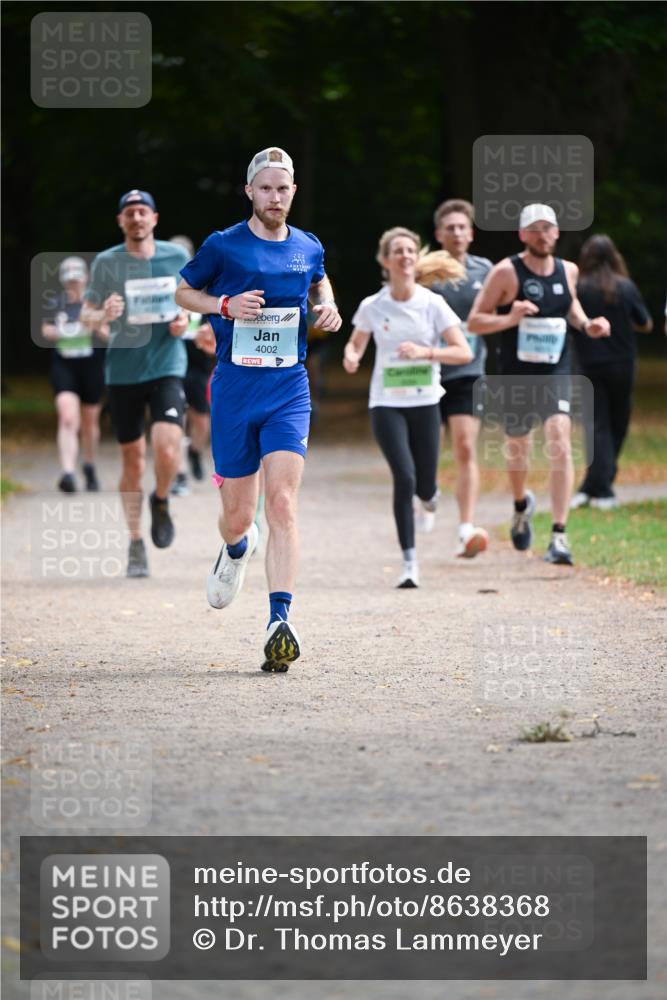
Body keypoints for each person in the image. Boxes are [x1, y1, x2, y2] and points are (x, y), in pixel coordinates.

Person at [175, 147, 341, 672]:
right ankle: (235, 549)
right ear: (250, 191)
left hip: (289, 388)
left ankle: (279, 620)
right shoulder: (223, 246)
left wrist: (328, 304)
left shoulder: (308, 246)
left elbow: (318, 279)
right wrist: (222, 305)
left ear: (294, 192)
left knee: (284, 504)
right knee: (239, 516)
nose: (275, 196)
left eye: (283, 188)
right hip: (233, 389)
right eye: (266, 188)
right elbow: (183, 291)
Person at [467, 203, 610, 565]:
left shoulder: (569, 270)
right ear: (523, 235)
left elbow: (570, 306)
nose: (543, 235)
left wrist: (587, 324)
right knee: (519, 451)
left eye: (549, 228)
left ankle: (559, 536)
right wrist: (511, 316)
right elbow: (475, 322)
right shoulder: (506, 273)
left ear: (557, 233)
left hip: (556, 373)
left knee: (561, 442)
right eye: (536, 229)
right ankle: (520, 506)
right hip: (515, 375)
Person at [343, 227, 471, 588]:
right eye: (397, 251)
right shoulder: (373, 305)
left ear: (416, 258)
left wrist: (426, 352)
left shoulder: (432, 304)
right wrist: (352, 357)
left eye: (410, 250)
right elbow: (355, 344)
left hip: (426, 401)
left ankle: (429, 499)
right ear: (385, 260)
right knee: (405, 477)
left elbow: (464, 351)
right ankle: (409, 562)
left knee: (426, 486)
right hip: (386, 402)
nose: (405, 256)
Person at [81, 190, 189, 578]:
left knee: (167, 446)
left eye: (143, 212)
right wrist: (101, 313)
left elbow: (195, 304)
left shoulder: (176, 257)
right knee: (132, 460)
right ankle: (135, 541)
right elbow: (86, 317)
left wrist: (185, 322)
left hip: (166, 364)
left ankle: (160, 500)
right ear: (121, 222)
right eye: (130, 213)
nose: (137, 218)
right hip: (123, 372)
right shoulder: (109, 262)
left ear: (155, 219)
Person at [570, 234, 653, 510]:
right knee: (617, 424)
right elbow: (645, 323)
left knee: (597, 425)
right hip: (623, 364)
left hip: (589, 364)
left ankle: (590, 487)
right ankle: (603, 490)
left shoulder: (579, 288)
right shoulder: (625, 287)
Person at [432, 199, 492, 557]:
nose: (456, 232)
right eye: (450, 227)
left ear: (471, 232)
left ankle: (465, 527)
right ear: (439, 233)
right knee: (424, 452)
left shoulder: (487, 270)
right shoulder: (425, 269)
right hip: (428, 371)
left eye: (462, 227)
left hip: (469, 371)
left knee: (466, 448)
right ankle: (425, 498)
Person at [41, 256, 107, 493]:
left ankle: (89, 465)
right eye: (69, 282)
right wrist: (60, 331)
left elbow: (109, 336)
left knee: (89, 423)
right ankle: (68, 473)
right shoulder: (55, 304)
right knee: (68, 417)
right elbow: (46, 330)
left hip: (92, 366)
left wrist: (93, 324)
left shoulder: (96, 304)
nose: (73, 286)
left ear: (85, 279)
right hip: (65, 365)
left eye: (77, 281)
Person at [168, 235, 217, 496]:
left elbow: (217, 318)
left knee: (201, 422)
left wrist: (209, 330)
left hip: (198, 364)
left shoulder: (203, 287)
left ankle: (195, 451)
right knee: (175, 420)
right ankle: (180, 475)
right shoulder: (163, 288)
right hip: (171, 363)